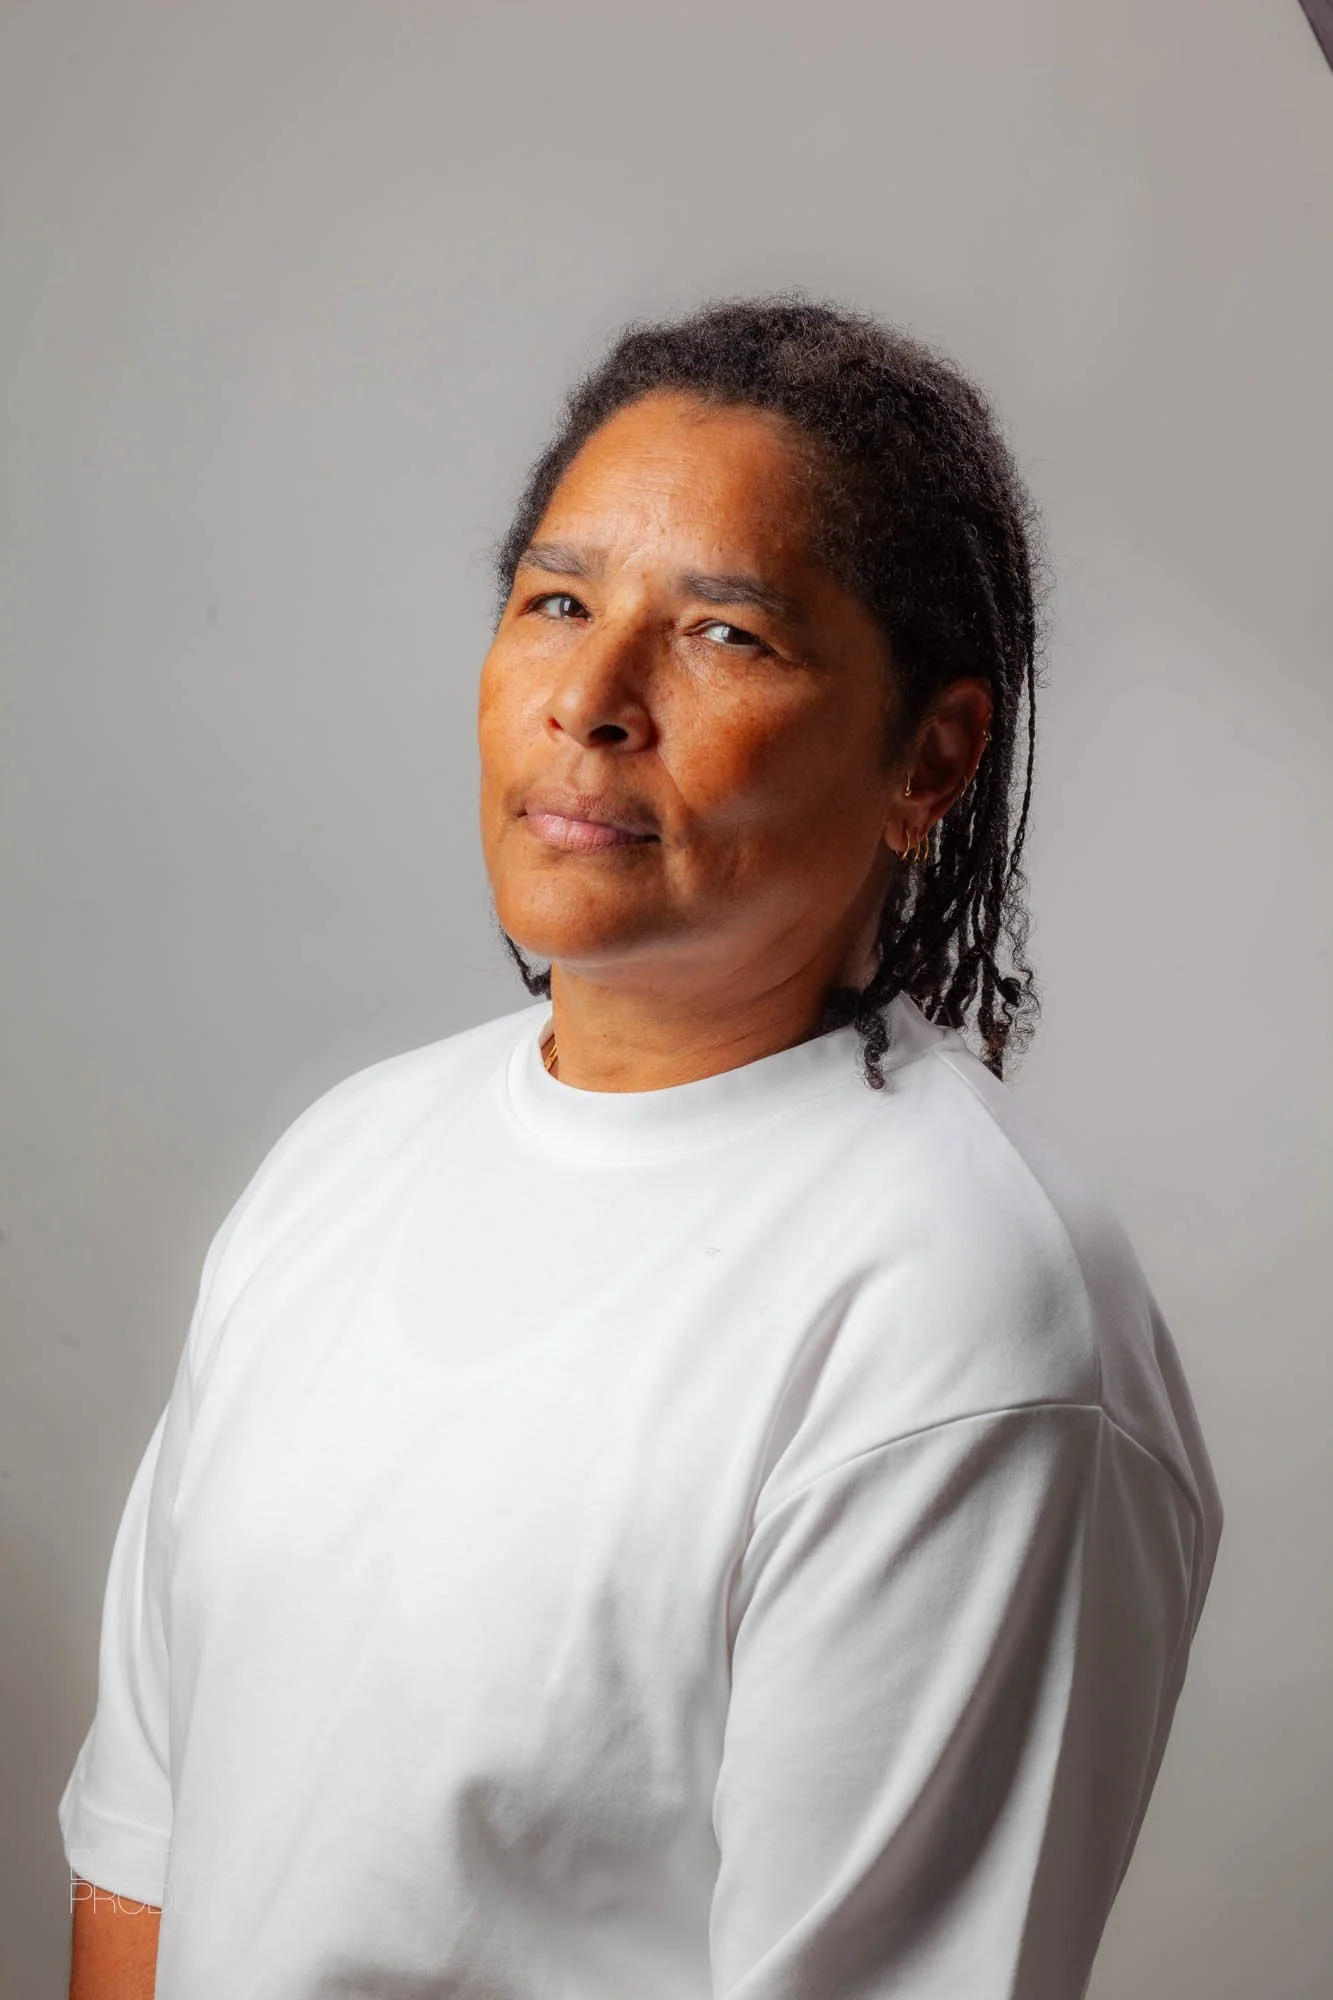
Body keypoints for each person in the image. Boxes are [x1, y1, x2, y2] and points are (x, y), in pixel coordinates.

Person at [60, 296, 1222, 2000]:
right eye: (556, 603)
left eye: (724, 635)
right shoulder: (341, 1161)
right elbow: (146, 1851)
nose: (592, 700)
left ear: (932, 758)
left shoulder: (964, 1317)